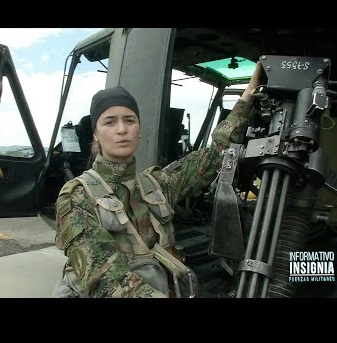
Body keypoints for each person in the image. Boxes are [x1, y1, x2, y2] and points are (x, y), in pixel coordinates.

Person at [52, 61, 262, 298]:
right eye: (109, 122)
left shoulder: (157, 184)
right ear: (95, 134)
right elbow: (103, 277)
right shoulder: (77, 196)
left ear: (139, 128)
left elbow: (216, 153)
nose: (122, 129)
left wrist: (248, 95)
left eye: (129, 120)